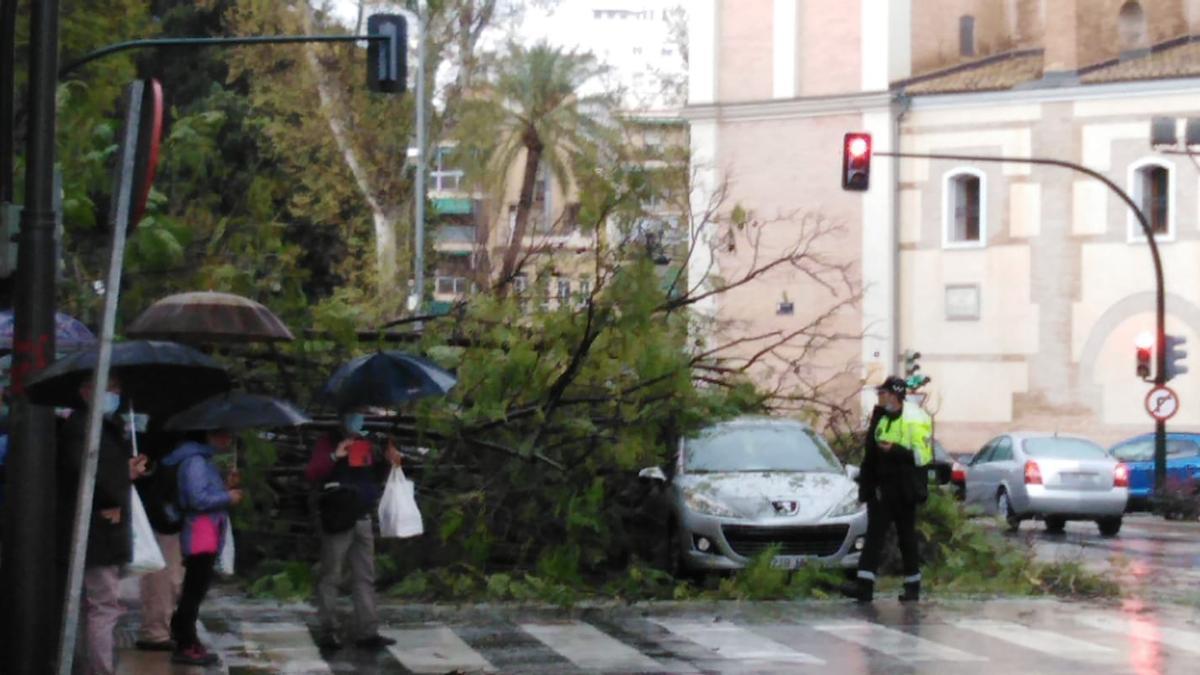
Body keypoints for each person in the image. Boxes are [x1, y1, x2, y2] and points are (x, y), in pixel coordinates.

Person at [58, 376, 149, 675]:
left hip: (99, 529)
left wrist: (125, 471)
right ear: (86, 392)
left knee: (96, 604)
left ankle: (90, 664)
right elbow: (92, 477)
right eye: (109, 388)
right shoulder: (83, 430)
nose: (115, 394)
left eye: (117, 389)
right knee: (104, 604)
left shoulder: (100, 428)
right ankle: (99, 668)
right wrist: (123, 475)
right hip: (98, 530)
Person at [306, 412, 403, 651]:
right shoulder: (328, 441)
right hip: (338, 515)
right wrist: (335, 454)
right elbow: (313, 472)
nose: (358, 421)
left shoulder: (369, 443)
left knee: (365, 576)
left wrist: (388, 460)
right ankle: (329, 630)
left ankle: (367, 631)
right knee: (332, 573)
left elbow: (373, 477)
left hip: (362, 516)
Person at [845, 375, 933, 604]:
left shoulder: (915, 418)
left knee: (906, 538)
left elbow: (922, 456)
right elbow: (870, 456)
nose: (879, 398)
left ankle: (912, 587)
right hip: (882, 489)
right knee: (874, 536)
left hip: (905, 490)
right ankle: (864, 588)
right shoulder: (881, 417)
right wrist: (866, 487)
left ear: (894, 395)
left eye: (882, 394)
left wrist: (895, 450)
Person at [160, 428, 243, 666]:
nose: (226, 439)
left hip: (206, 531)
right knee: (194, 590)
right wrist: (228, 497)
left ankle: (185, 635)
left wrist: (225, 487)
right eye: (220, 434)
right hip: (200, 532)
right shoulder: (195, 460)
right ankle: (186, 641)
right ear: (204, 435)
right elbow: (197, 498)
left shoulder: (203, 459)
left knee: (196, 588)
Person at [132, 427, 186, 652]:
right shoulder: (169, 442)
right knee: (165, 577)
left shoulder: (148, 434)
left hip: (162, 515)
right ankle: (155, 631)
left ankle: (158, 628)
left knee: (166, 577)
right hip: (164, 517)